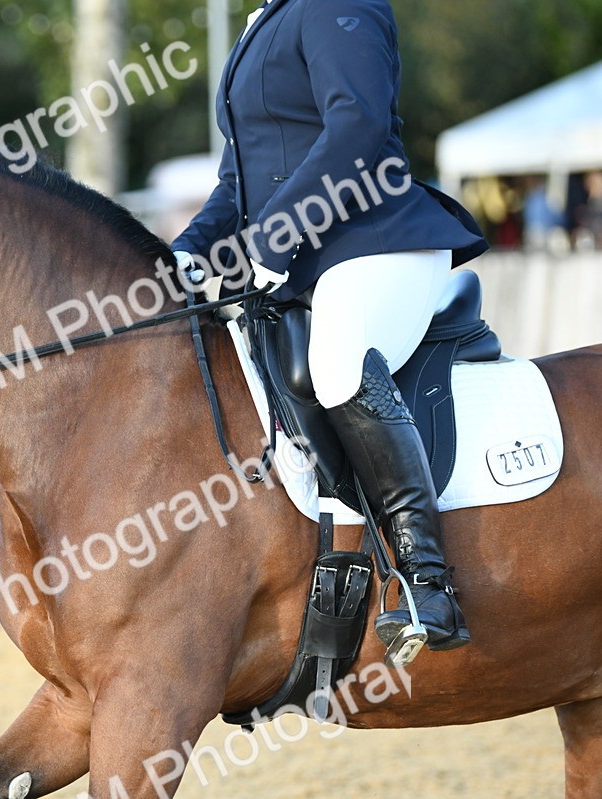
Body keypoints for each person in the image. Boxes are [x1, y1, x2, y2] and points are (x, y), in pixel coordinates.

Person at [172, 0, 488, 651]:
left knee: (337, 361)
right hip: (307, 255)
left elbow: (359, 125)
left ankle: (427, 581)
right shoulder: (262, 22)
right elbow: (239, 180)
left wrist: (275, 236)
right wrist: (186, 250)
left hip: (380, 239)